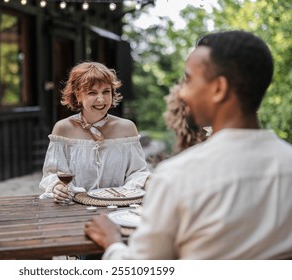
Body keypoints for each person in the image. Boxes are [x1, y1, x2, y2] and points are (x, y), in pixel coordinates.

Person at [84, 30, 292, 259]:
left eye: (189, 79)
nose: (182, 93)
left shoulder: (177, 177)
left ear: (218, 89)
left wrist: (112, 242)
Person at [39, 61, 150, 204]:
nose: (101, 99)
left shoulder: (127, 128)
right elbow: (52, 174)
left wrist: (147, 182)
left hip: (119, 206)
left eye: (106, 91)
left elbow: (138, 173)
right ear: (78, 95)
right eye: (92, 92)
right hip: (74, 207)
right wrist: (58, 187)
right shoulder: (62, 129)